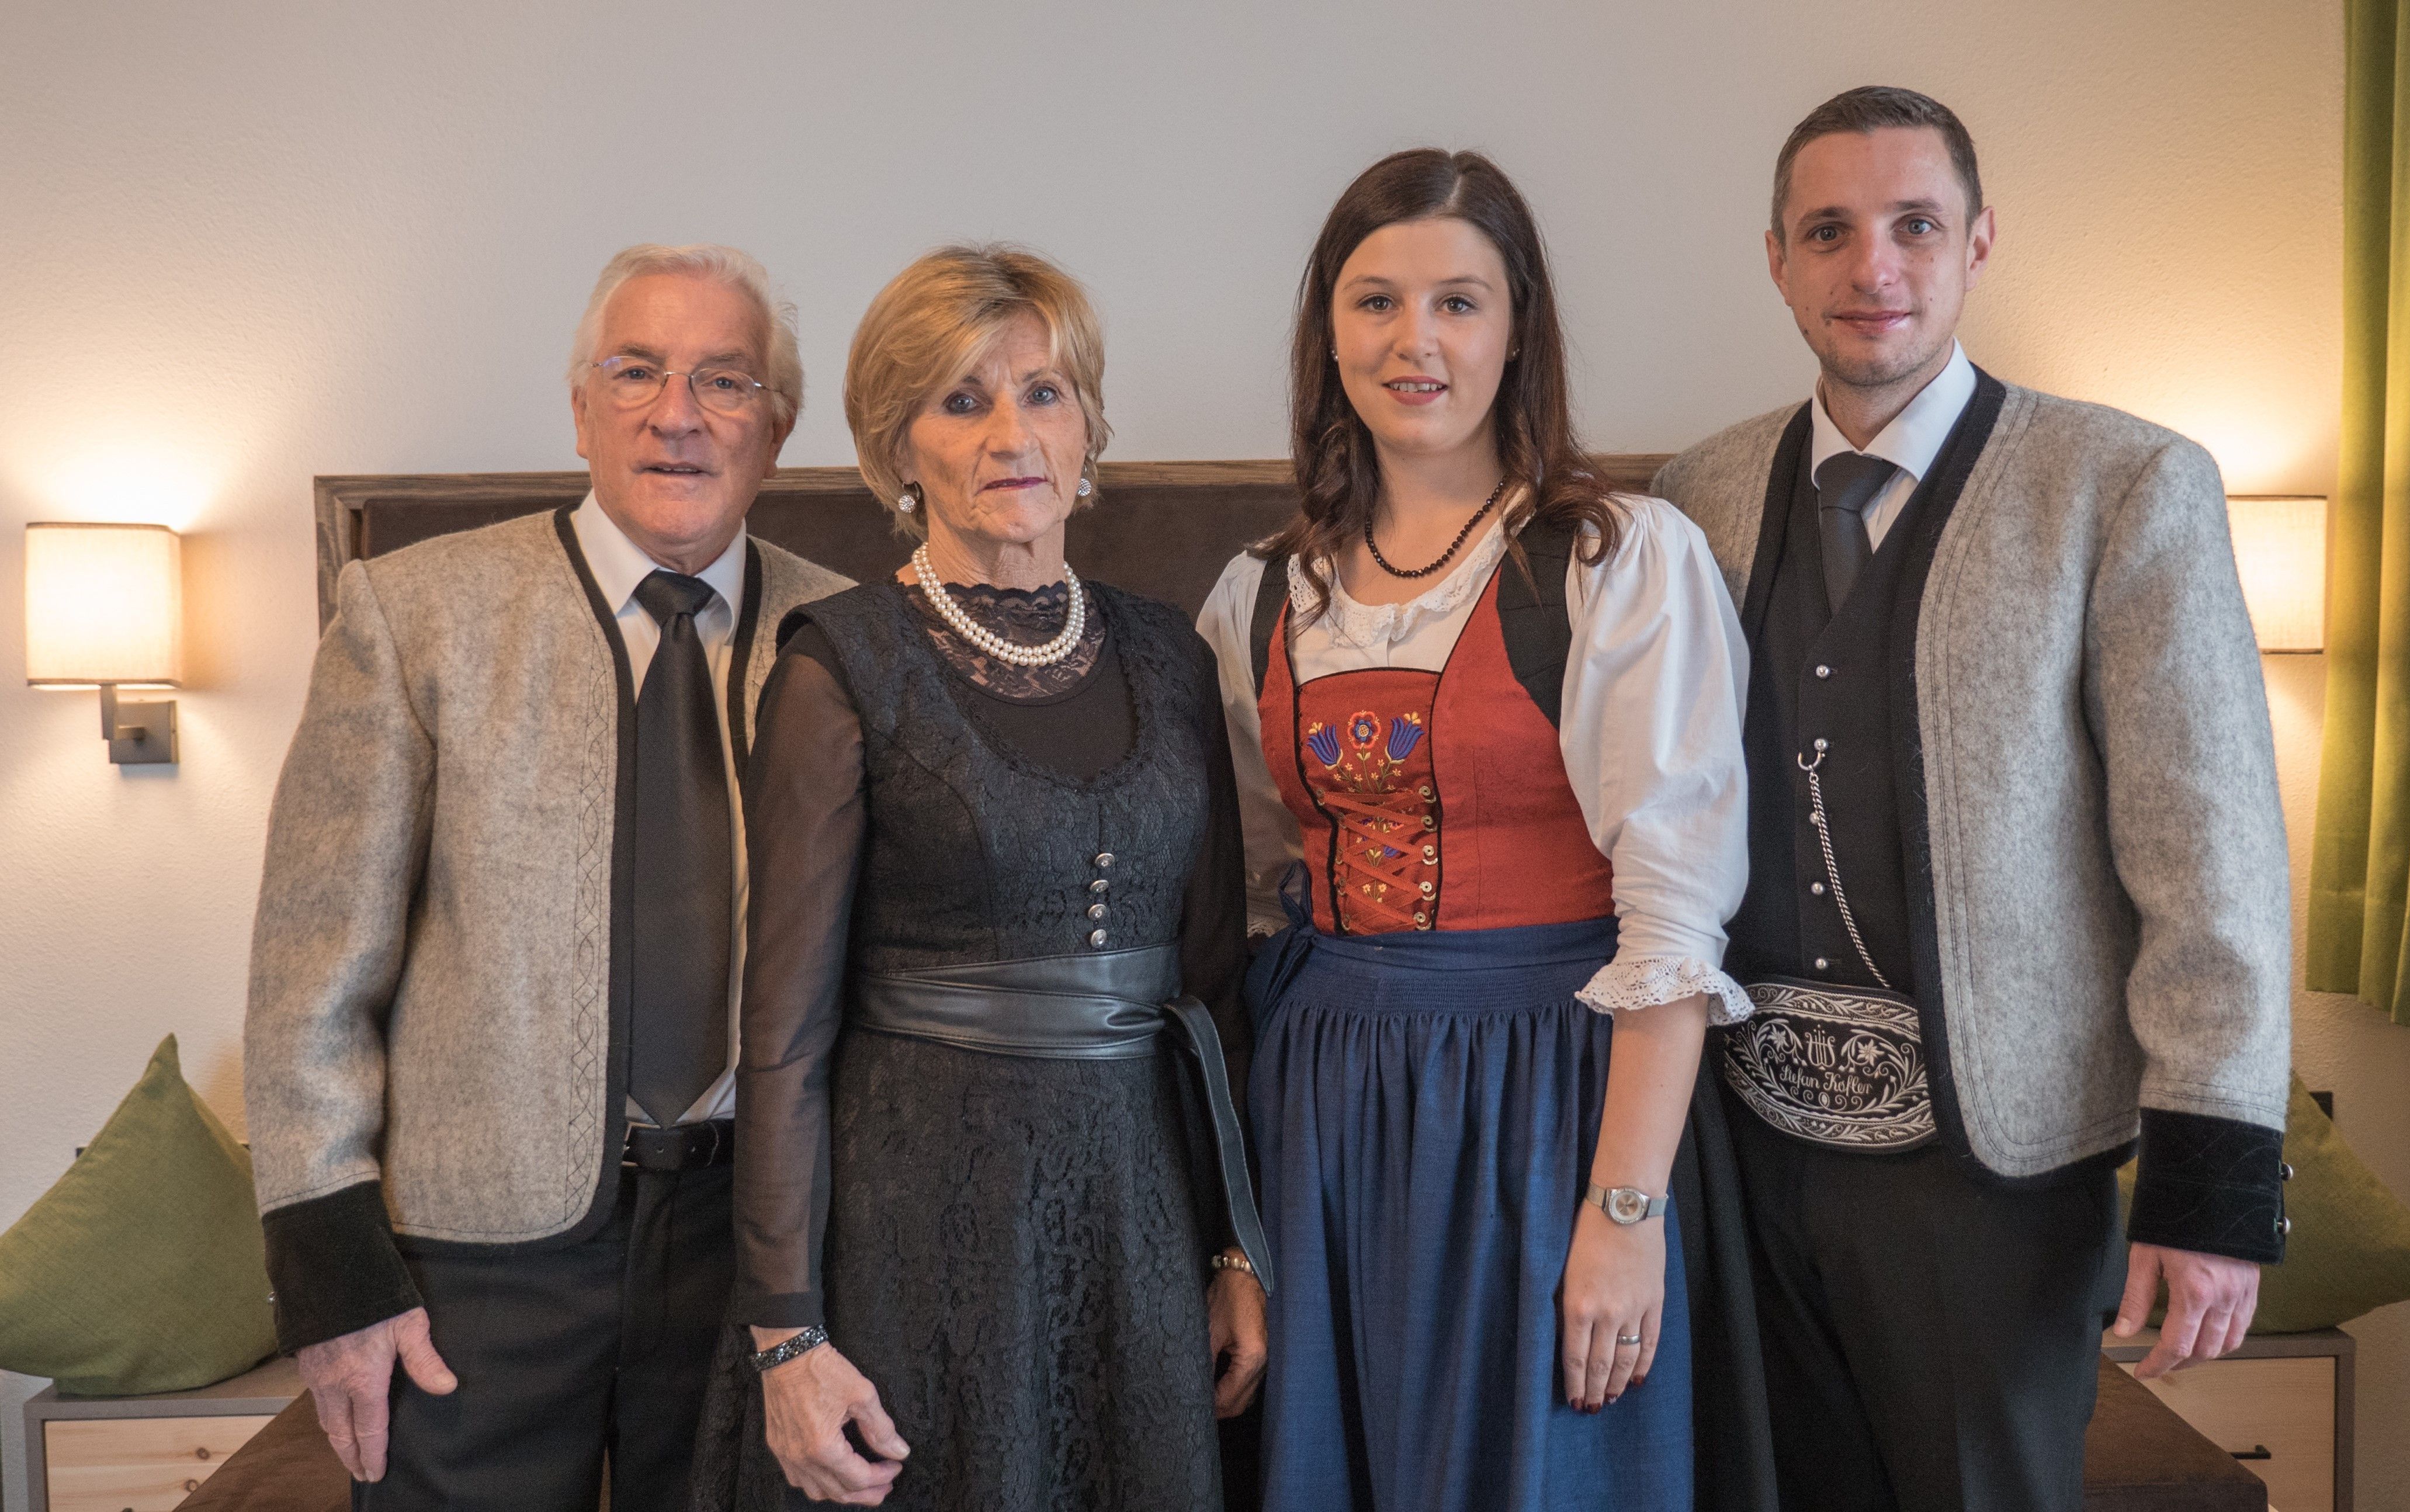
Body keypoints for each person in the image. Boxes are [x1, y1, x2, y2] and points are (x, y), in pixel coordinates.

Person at [1650, 86, 2293, 1511]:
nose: (1870, 267)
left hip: (1989, 1178)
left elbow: (2209, 856)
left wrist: (2209, 1185)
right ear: (1776, 259)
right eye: (1828, 230)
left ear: (1977, 243)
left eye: (1914, 226)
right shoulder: (1696, 495)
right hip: (1740, 1159)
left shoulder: (2120, 485)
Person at [1199, 149, 1773, 1512]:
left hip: (1544, 1097)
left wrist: (1623, 1213)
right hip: (1323, 1106)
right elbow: (1246, 891)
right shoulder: (1258, 594)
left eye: (1457, 302)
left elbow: (1673, 910)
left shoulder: (1615, 560)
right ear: (1327, 332)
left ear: (1517, 329)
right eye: (1375, 301)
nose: (1415, 340)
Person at [241, 244, 849, 1510]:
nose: (677, 413)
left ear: (777, 429)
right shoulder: (414, 616)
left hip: (760, 1256)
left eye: (725, 379)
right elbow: (311, 978)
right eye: (636, 371)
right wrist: (334, 1280)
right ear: (580, 408)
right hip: (473, 1265)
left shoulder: (846, 641)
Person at [688, 244, 1270, 1512]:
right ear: (898, 448)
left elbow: (1216, 987)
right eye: (962, 401)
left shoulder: (1173, 657)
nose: (1012, 434)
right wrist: (785, 1331)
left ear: (1088, 427)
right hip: (916, 1224)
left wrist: (1239, 1250)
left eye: (1043, 392)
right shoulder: (839, 665)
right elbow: (782, 1033)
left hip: (1138, 1221)